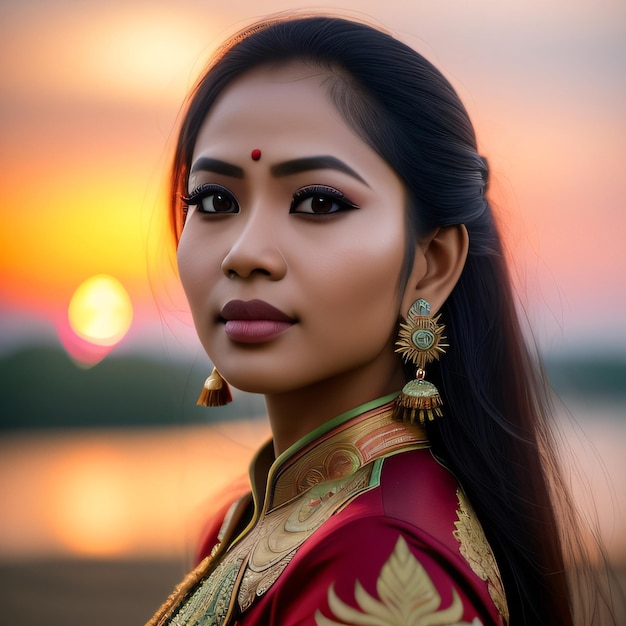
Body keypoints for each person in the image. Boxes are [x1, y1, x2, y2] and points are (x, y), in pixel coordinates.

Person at [146, 14, 618, 626]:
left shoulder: (384, 561)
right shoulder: (248, 516)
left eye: (318, 202)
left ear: (430, 265)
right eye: (215, 201)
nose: (244, 254)